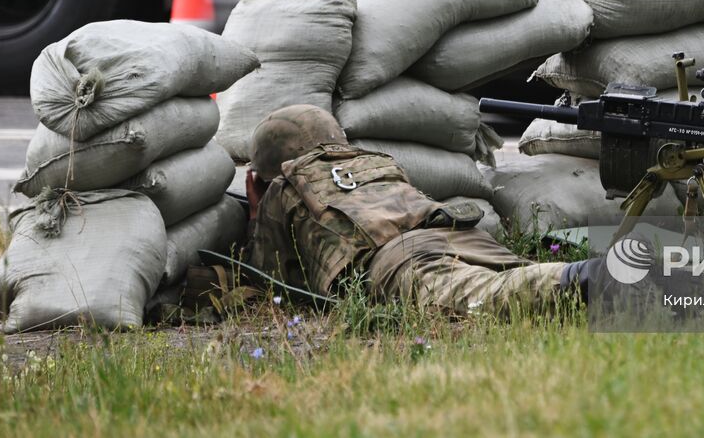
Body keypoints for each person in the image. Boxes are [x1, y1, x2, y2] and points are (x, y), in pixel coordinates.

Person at [238, 105, 622, 316]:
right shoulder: (375, 160)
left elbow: (273, 284)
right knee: (526, 278)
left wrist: (257, 211)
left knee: (489, 297)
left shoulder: (283, 188)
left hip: (400, 259)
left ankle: (598, 277)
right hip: (458, 232)